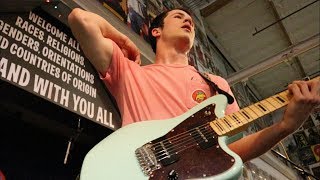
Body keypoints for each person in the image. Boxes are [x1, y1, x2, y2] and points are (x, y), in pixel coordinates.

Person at [68, 8, 320, 163]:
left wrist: (287, 126)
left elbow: (231, 151)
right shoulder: (131, 72)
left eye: (191, 20)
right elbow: (80, 18)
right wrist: (124, 39)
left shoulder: (217, 85)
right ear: (156, 31)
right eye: (179, 16)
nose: (189, 21)